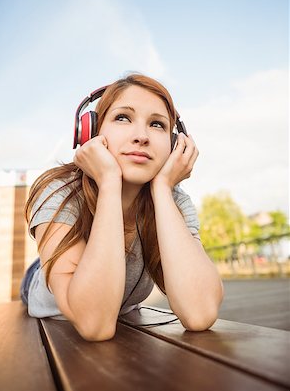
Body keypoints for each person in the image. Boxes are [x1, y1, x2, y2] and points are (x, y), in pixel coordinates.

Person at [20, 73, 223, 341]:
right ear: (91, 132)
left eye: (157, 124)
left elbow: (200, 313)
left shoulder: (174, 200)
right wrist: (108, 182)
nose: (141, 136)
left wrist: (162, 189)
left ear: (175, 145)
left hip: (118, 303)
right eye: (123, 118)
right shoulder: (60, 192)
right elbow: (95, 325)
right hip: (43, 288)